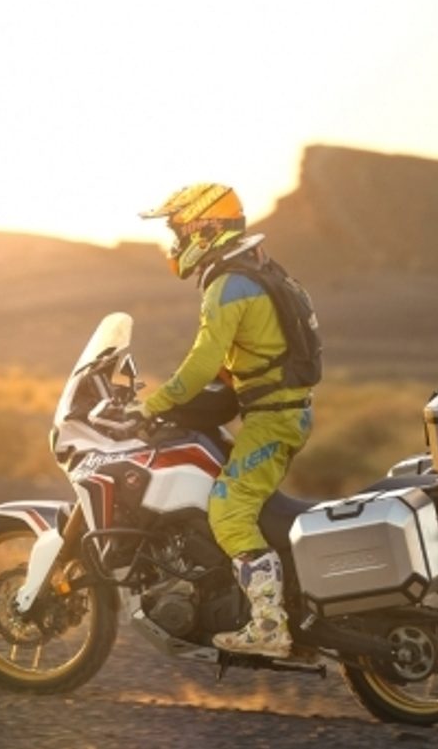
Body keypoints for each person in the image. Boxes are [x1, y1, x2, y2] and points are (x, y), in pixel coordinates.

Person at [133, 183, 317, 659]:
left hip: (273, 421)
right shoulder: (255, 270)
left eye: (179, 230)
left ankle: (269, 626)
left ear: (205, 229)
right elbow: (232, 363)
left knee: (229, 511)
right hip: (278, 412)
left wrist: (153, 405)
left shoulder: (228, 284)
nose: (175, 242)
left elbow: (202, 362)